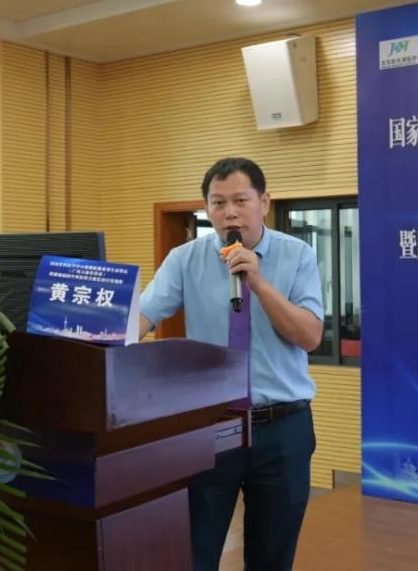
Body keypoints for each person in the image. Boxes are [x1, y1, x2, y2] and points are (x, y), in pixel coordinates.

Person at [138, 157, 324, 570]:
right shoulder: (185, 259)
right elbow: (142, 317)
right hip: (210, 428)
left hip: (283, 428)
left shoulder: (297, 255)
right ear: (207, 208)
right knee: (194, 554)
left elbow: (310, 336)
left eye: (241, 200)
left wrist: (258, 282)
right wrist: (96, 332)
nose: (229, 213)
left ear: (264, 202)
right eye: (218, 203)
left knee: (271, 559)